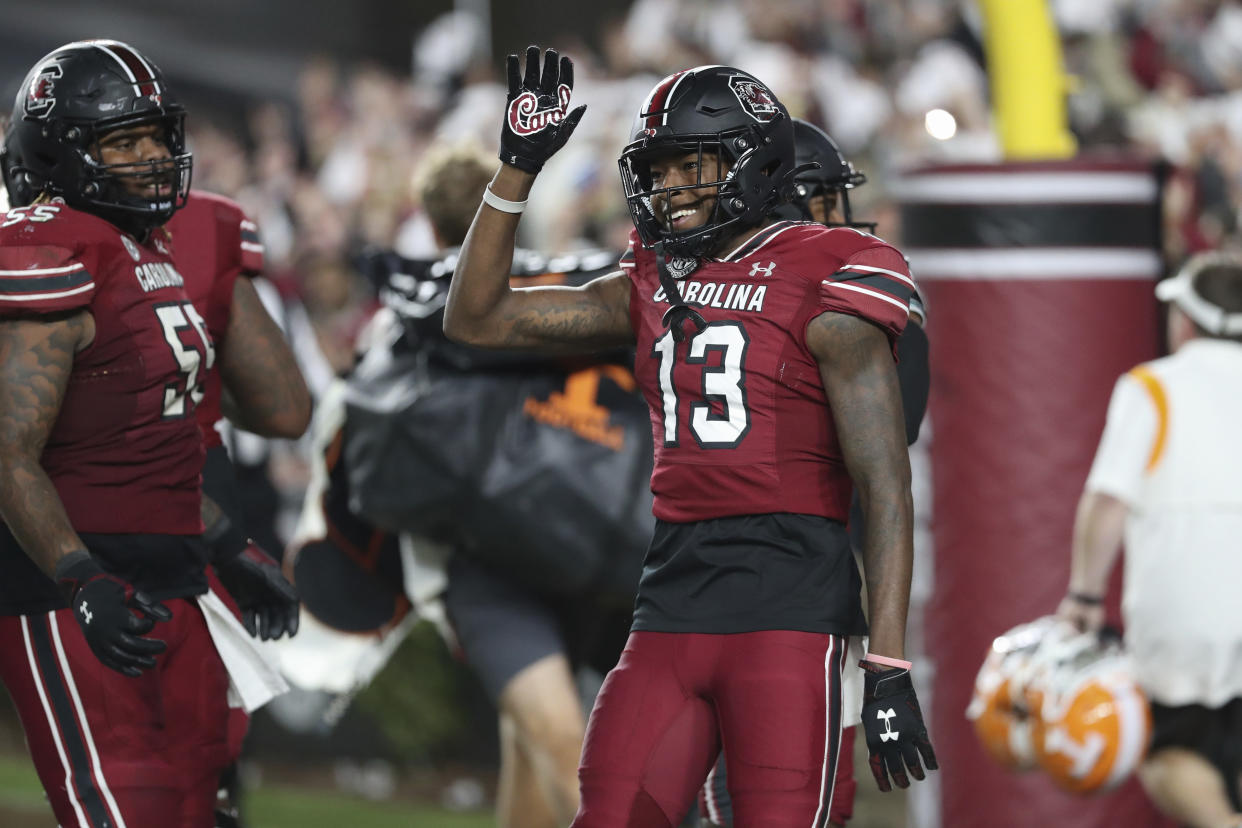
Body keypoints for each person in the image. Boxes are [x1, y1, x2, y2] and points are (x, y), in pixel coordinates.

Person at [445, 47, 937, 826]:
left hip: (789, 612)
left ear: (751, 159)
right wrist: (516, 171)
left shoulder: (831, 268)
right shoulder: (652, 276)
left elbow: (884, 485)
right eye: (660, 169)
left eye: (688, 166)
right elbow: (478, 317)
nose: (667, 187)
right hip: (669, 605)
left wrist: (885, 665)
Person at [284, 141, 641, 828]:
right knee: (547, 741)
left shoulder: (413, 302)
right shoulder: (587, 281)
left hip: (490, 557)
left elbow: (349, 429)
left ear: (430, 220)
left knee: (555, 745)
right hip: (599, 532)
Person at [0, 40, 296, 828]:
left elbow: (150, 446)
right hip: (76, 588)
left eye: (155, 136)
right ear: (56, 155)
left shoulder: (148, 251)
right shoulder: (49, 245)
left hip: (174, 580)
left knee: (202, 811)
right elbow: (8, 451)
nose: (151, 157)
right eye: (120, 142)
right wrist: (79, 578)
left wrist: (230, 544)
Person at [698, 117, 932, 828]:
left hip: (701, 587)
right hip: (793, 600)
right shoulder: (854, 303)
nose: (841, 217)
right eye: (826, 199)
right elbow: (891, 451)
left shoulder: (690, 291)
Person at [1056, 251, 1242, 828]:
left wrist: (1084, 596)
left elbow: (1109, 499)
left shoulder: (1153, 386)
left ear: (1183, 319)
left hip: (1186, 600)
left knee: (1169, 748)